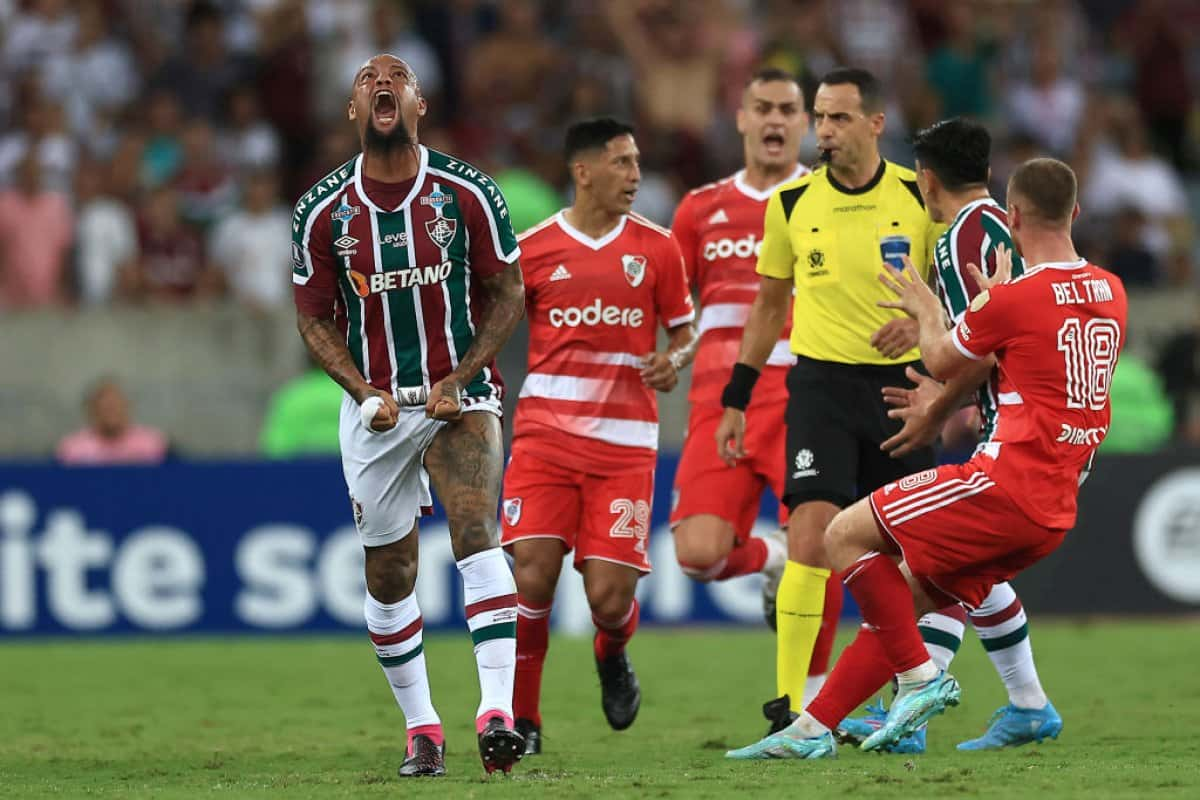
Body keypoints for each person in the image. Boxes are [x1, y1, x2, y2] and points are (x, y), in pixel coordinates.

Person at [728, 157, 1127, 759]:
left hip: (1002, 484)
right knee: (903, 601)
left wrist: (925, 305)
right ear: (1076, 212)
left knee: (842, 536)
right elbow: (1041, 357)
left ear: (1012, 216)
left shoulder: (1016, 298)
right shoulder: (1112, 290)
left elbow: (942, 360)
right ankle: (810, 732)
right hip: (1056, 505)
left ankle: (920, 680)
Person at [291, 54, 527, 778]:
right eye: (366, 79)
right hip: (377, 406)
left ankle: (497, 714)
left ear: (418, 104)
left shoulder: (467, 192)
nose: (381, 84)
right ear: (354, 112)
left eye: (396, 77)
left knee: (475, 526)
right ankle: (422, 726)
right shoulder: (322, 211)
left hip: (460, 393)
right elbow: (314, 319)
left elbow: (507, 288)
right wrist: (363, 390)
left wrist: (460, 376)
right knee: (390, 574)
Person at [713, 67, 943, 737]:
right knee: (809, 534)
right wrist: (737, 396)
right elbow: (767, 304)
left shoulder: (918, 196)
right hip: (819, 387)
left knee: (908, 560)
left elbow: (959, 293)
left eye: (839, 118)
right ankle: (789, 705)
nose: (824, 130)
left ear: (875, 124)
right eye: (820, 117)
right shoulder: (790, 204)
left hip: (902, 389)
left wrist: (928, 329)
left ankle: (910, 696)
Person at [839, 118, 1062, 751]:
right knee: (964, 571)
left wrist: (936, 408)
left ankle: (910, 713)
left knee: (929, 564)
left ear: (925, 179)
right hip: (1033, 427)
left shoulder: (963, 237)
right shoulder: (992, 227)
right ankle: (1027, 704)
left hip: (1017, 434)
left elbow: (980, 354)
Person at [502, 118, 696, 754]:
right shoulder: (531, 250)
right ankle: (524, 721)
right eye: (621, 163)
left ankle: (611, 651)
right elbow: (493, 328)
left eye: (637, 162)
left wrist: (676, 359)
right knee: (532, 577)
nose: (635, 174)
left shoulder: (658, 249)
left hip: (624, 446)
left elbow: (685, 332)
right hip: (544, 439)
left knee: (608, 598)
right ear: (582, 171)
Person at [668, 68, 843, 712]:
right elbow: (673, 307)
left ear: (806, 124)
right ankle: (767, 558)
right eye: (762, 108)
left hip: (808, 393)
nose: (774, 120)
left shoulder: (828, 199)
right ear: (740, 118)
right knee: (697, 555)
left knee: (819, 548)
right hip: (720, 402)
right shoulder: (698, 209)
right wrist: (671, 355)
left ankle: (810, 701)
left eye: (788, 110)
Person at [57, 377, 168, 466]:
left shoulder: (152, 444)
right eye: (105, 408)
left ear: (127, 406)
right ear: (92, 410)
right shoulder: (73, 449)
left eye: (115, 407)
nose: (110, 414)